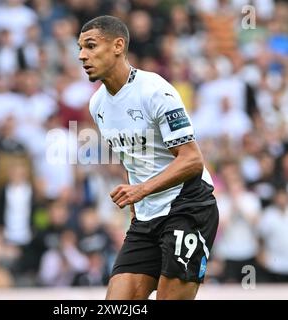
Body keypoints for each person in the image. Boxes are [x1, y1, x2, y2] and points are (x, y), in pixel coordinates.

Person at [78, 15, 219, 300]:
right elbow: (132, 159)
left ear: (118, 46)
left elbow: (192, 160)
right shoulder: (98, 105)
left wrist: (140, 191)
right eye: (80, 48)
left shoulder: (155, 90)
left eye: (91, 46)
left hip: (188, 207)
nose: (82, 56)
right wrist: (135, 211)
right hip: (146, 218)